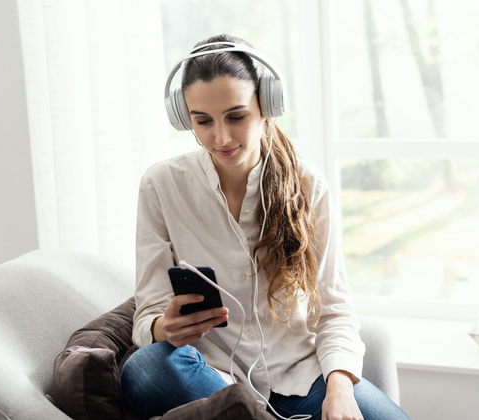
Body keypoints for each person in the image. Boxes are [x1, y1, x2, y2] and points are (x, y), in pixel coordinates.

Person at [120, 33, 410, 420]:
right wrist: (163, 328)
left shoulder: (308, 185)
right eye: (202, 121)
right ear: (183, 117)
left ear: (267, 106)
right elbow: (148, 315)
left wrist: (339, 392)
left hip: (300, 377)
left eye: (236, 116)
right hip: (210, 379)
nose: (220, 138)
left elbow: (335, 310)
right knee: (146, 367)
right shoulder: (160, 186)